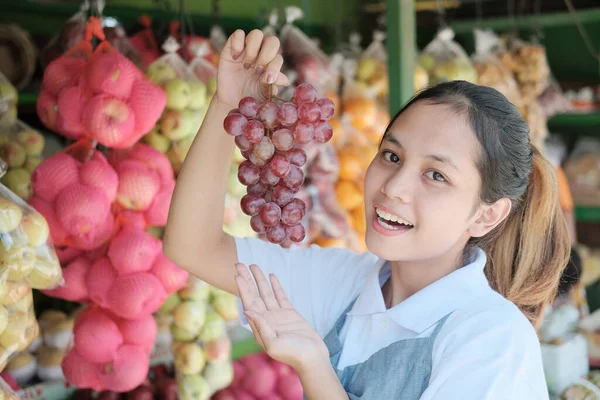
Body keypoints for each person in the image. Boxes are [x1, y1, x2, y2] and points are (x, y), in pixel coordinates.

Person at [164, 30, 571, 399]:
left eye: (436, 175)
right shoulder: (345, 284)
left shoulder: (492, 340)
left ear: (486, 215)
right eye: (392, 155)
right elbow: (194, 247)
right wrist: (227, 104)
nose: (392, 187)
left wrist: (315, 367)